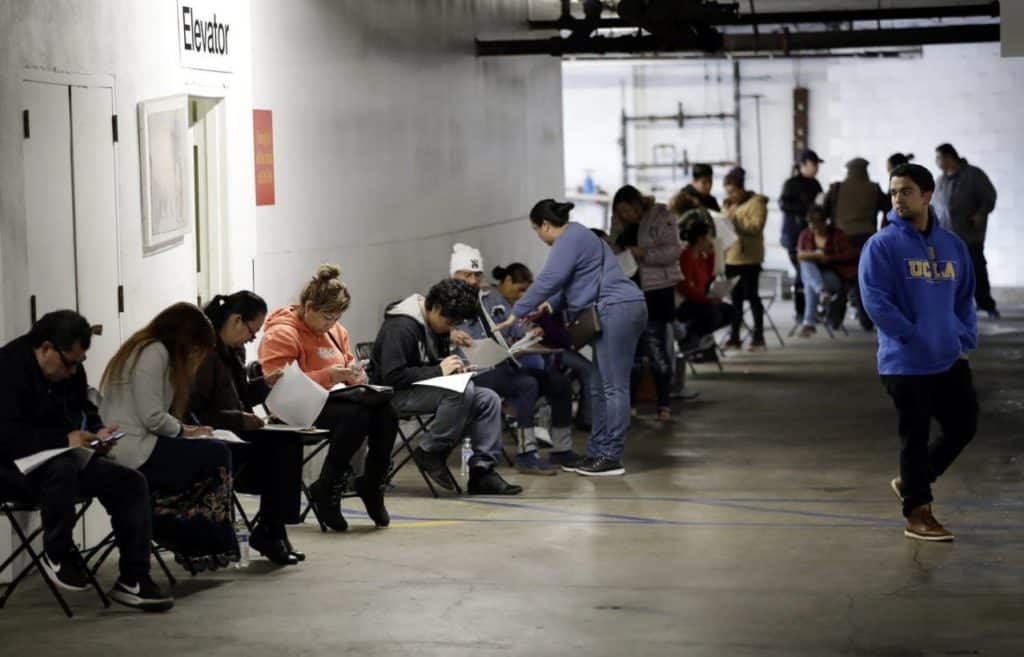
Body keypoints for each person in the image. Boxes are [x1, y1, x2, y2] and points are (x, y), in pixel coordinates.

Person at [0, 311, 173, 612]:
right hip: (10, 467)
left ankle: (134, 578)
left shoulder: (70, 369)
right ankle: (59, 551)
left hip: (60, 462)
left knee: (130, 482)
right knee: (62, 467)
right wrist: (64, 441)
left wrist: (97, 433)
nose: (72, 371)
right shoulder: (6, 369)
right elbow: (6, 436)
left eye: (78, 363)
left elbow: (83, 406)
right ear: (44, 348)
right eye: (68, 362)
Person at [860, 163, 979, 542]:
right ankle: (918, 514)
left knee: (964, 423)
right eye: (894, 192)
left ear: (927, 196)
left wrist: (962, 337)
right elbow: (875, 301)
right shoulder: (882, 245)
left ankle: (914, 479)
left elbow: (964, 297)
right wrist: (909, 335)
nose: (898, 198)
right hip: (905, 362)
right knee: (913, 435)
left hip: (948, 357)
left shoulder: (953, 246)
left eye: (906, 191)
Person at [496, 200, 645, 477]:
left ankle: (611, 455)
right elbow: (571, 283)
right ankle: (599, 451)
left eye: (536, 230)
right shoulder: (580, 236)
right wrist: (547, 306)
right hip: (615, 309)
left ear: (544, 225)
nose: (539, 237)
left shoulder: (568, 238)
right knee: (600, 385)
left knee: (613, 387)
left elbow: (550, 278)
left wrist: (517, 311)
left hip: (617, 309)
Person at [259, 265, 398, 530]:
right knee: (357, 415)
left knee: (386, 411)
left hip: (335, 399)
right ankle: (328, 486)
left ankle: (372, 482)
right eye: (326, 317)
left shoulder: (337, 332)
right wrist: (328, 376)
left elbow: (345, 363)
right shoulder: (282, 334)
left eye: (336, 318)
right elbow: (279, 388)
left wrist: (354, 375)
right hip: (294, 407)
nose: (330, 325)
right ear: (308, 307)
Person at [100, 303, 237, 569]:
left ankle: (189, 535)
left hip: (137, 443)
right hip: (133, 450)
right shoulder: (154, 352)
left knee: (212, 453)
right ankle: (191, 535)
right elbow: (152, 416)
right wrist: (187, 431)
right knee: (216, 454)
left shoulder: (144, 349)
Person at [369, 278, 523, 495]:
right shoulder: (401, 326)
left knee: (488, 398)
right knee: (462, 391)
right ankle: (430, 451)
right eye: (451, 322)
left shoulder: (434, 324)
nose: (451, 328)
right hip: (392, 395)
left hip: (423, 389)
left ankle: (482, 472)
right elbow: (392, 377)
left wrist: (456, 370)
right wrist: (439, 371)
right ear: (437, 309)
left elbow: (433, 364)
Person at [190, 291, 305, 565]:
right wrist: (242, 419)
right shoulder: (203, 355)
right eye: (252, 332)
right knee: (280, 450)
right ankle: (271, 530)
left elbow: (242, 396)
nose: (251, 339)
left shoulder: (234, 350)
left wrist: (266, 384)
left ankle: (273, 527)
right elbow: (200, 414)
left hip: (235, 428)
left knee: (291, 440)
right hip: (213, 435)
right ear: (236, 320)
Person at [448, 247, 577, 475]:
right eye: (466, 274)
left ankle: (562, 449)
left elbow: (515, 325)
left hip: (502, 364)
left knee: (560, 383)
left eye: (477, 275)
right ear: (453, 274)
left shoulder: (491, 297)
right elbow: (433, 328)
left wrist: (530, 333)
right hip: (471, 371)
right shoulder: (445, 300)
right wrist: (450, 334)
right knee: (527, 384)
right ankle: (527, 454)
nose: (473, 280)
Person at [612, 185, 682, 421]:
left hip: (656, 291)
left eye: (627, 210)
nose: (624, 216)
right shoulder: (622, 224)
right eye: (619, 212)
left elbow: (673, 252)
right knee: (632, 351)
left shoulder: (661, 217)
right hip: (630, 292)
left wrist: (643, 253)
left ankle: (664, 404)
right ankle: (630, 403)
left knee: (656, 348)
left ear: (637, 204)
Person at [822, 158, 891, 330]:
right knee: (864, 279)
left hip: (840, 239)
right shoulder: (874, 188)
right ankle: (866, 320)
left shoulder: (836, 188)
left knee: (840, 277)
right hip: (866, 239)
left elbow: (823, 212)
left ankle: (834, 320)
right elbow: (888, 210)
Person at [933, 143, 999, 319]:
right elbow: (934, 206)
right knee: (951, 272)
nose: (936, 162)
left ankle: (986, 304)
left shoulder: (973, 175)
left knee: (976, 268)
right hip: (947, 236)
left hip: (970, 234)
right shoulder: (940, 181)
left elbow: (989, 196)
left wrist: (980, 214)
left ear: (949, 157)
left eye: (938, 158)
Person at [721, 167, 769, 351]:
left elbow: (756, 227)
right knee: (735, 299)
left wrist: (734, 222)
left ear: (742, 188)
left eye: (733, 191)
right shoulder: (728, 204)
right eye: (727, 192)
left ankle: (758, 337)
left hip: (749, 258)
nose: (730, 195)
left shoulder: (757, 203)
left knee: (752, 296)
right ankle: (734, 337)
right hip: (731, 257)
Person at [795, 206, 856, 337]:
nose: (814, 228)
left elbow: (850, 255)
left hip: (834, 275)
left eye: (817, 224)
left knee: (810, 284)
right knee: (806, 265)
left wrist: (829, 258)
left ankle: (809, 323)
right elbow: (799, 255)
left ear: (825, 222)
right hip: (813, 275)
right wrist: (814, 255)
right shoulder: (805, 234)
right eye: (811, 224)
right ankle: (821, 292)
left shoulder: (837, 234)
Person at [780, 150, 825, 320]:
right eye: (814, 164)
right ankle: (801, 311)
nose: (817, 168)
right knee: (802, 273)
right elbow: (784, 204)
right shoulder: (791, 184)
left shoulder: (816, 184)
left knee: (810, 272)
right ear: (803, 164)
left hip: (813, 236)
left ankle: (811, 310)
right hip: (794, 237)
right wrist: (807, 210)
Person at [676, 216, 737, 339]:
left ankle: (697, 338)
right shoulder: (686, 257)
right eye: (708, 237)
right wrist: (707, 301)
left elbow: (708, 277)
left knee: (731, 312)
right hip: (686, 302)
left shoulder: (701, 257)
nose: (711, 241)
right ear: (700, 239)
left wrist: (711, 255)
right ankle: (689, 337)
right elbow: (685, 287)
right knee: (713, 315)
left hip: (699, 300)